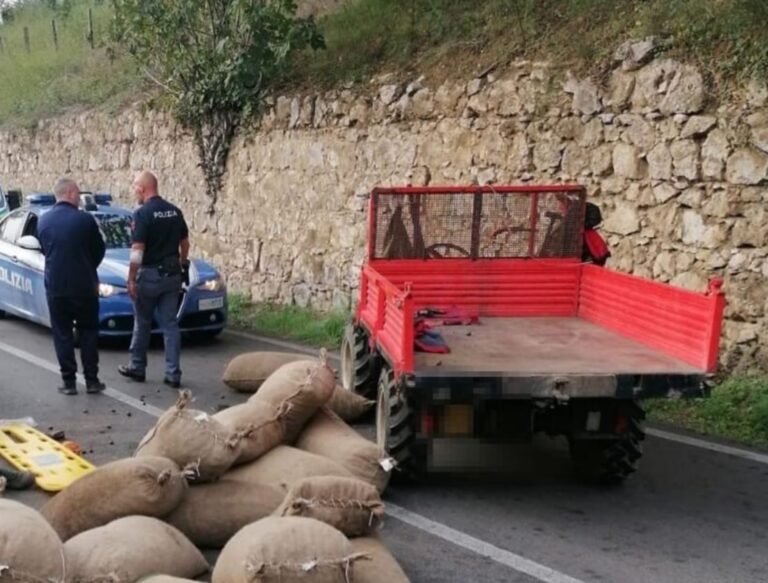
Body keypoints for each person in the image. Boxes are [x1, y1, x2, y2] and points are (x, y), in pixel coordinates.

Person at [118, 171, 190, 388]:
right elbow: (185, 244)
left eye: (134, 188)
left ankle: (137, 367)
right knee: (170, 324)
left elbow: (138, 250)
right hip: (172, 275)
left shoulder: (142, 214)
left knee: (142, 322)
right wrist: (182, 264)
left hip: (149, 276)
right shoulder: (175, 212)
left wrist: (131, 278)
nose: (134, 192)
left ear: (142, 188)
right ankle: (173, 373)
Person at [37, 178, 106, 395]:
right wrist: (86, 266)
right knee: (88, 332)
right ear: (68, 193)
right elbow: (98, 250)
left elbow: (45, 250)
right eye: (77, 193)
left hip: (57, 287)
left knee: (62, 334)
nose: (79, 197)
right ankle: (92, 380)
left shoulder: (43, 221)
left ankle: (68, 382)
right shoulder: (85, 220)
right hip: (85, 286)